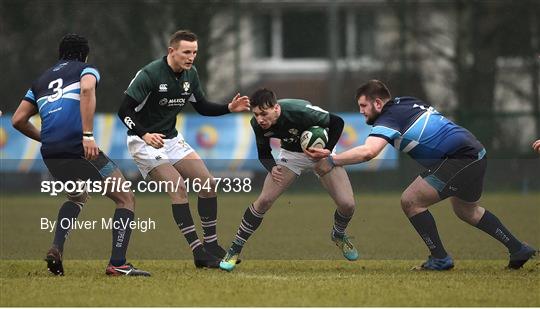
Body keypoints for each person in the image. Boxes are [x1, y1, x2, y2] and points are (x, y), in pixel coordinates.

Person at [307, 80, 536, 270]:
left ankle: (440, 258)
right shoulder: (406, 103)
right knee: (467, 211)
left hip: (460, 159)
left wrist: (331, 160)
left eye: (363, 106)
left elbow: (369, 152)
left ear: (378, 103)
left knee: (411, 201)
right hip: (475, 153)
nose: (361, 111)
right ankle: (518, 249)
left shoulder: (389, 117)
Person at [12, 34, 150, 276]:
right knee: (125, 197)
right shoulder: (87, 69)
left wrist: (46, 138)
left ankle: (57, 248)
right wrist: (87, 135)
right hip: (79, 146)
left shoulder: (41, 80)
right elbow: (87, 89)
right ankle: (118, 263)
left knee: (77, 197)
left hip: (51, 152)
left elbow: (18, 120)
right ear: (84, 54)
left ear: (60, 54)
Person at [117, 30, 250, 268]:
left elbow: (202, 106)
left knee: (207, 183)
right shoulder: (150, 74)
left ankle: (210, 244)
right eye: (186, 52)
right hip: (143, 141)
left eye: (195, 52)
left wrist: (228, 107)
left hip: (171, 138)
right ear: (172, 51)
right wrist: (145, 134)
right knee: (178, 189)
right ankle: (198, 252)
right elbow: (124, 111)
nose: (191, 57)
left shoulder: (191, 73)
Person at [219, 88, 358, 272]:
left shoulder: (299, 113)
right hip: (291, 155)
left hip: (319, 153)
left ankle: (338, 235)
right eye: (256, 114)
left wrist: (327, 149)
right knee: (264, 201)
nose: (260, 118)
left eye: (264, 113)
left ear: (276, 108)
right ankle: (234, 250)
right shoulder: (256, 123)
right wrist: (272, 167)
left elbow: (338, 122)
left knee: (348, 205)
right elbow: (263, 152)